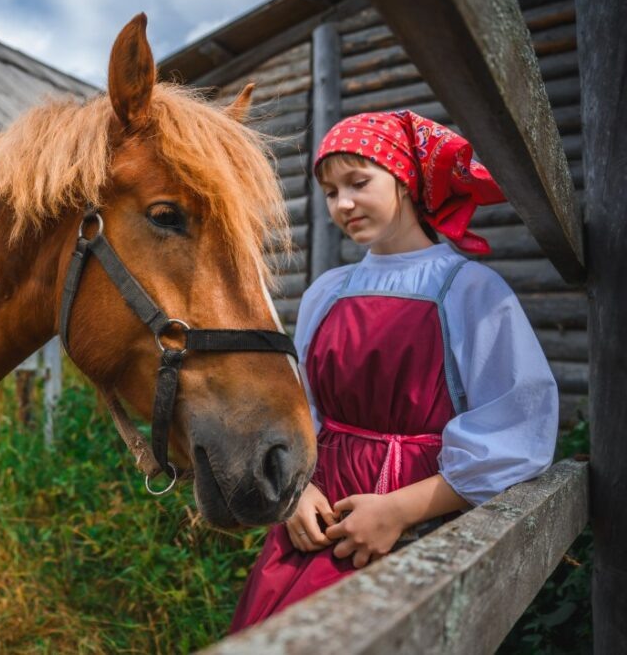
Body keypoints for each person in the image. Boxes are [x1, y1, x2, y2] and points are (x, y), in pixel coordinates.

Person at [230, 110, 559, 631]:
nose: (342, 204)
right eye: (330, 192)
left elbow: (517, 430)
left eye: (358, 183)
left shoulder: (469, 290)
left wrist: (401, 511)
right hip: (318, 510)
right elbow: (301, 409)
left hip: (418, 520)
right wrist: (297, 494)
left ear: (404, 178)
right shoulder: (326, 292)